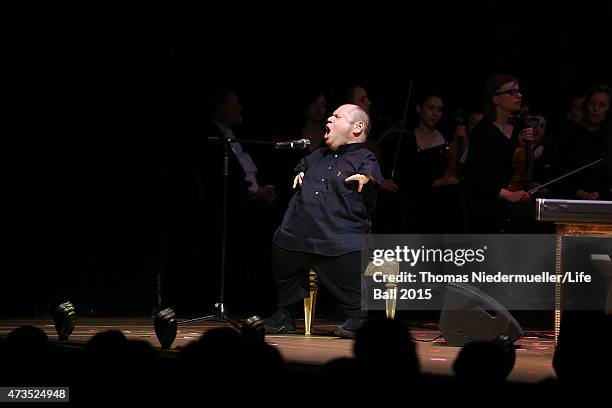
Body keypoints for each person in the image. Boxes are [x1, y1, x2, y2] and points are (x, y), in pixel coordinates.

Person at [263, 104, 383, 338]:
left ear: (357, 127)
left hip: (338, 235)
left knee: (350, 261)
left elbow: (371, 175)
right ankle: (284, 315)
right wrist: (299, 172)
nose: (329, 119)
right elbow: (303, 165)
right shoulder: (317, 154)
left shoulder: (364, 156)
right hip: (299, 233)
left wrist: (366, 178)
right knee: (282, 246)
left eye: (336, 116)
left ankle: (358, 317)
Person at [464, 74, 535, 233]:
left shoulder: (517, 128)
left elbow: (517, 166)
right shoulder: (482, 132)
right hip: (491, 202)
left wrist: (524, 147)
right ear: (496, 99)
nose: (519, 96)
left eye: (519, 91)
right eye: (512, 92)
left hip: (515, 196)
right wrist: (507, 195)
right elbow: (472, 177)